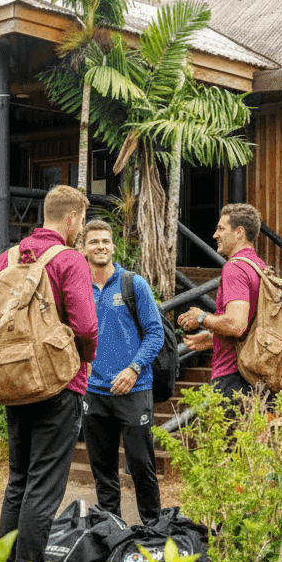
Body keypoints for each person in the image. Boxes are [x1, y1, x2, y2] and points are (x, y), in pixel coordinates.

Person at [0, 185, 97, 562]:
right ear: (71, 219)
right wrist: (84, 363)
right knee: (44, 487)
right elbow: (86, 326)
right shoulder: (69, 259)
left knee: (18, 481)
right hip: (56, 383)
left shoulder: (7, 258)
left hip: (13, 380)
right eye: (82, 220)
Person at [80, 219, 165, 525]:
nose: (100, 246)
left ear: (113, 246)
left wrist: (134, 368)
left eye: (105, 241)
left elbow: (156, 334)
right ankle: (111, 531)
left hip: (134, 389)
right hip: (94, 392)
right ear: (83, 248)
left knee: (141, 466)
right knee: (102, 470)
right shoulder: (78, 288)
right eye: (93, 242)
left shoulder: (133, 284)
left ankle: (153, 529)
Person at [177, 203, 267, 400]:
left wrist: (201, 318)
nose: (215, 235)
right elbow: (250, 326)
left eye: (221, 228)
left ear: (239, 233)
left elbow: (236, 325)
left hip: (234, 377)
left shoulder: (234, 268)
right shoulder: (260, 267)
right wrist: (214, 339)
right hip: (258, 375)